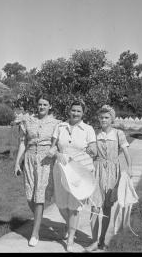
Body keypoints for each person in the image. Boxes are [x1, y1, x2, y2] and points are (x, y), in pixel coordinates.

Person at [47, 99, 97, 252]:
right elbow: (53, 146)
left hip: (78, 171)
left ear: (83, 113)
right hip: (60, 168)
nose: (75, 113)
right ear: (69, 111)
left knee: (74, 206)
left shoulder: (88, 129)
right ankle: (70, 227)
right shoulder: (60, 126)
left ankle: (70, 238)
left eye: (79, 111)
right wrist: (55, 153)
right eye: (73, 110)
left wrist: (84, 155)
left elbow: (93, 150)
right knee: (61, 203)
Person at [13, 93, 60, 247]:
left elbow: (56, 143)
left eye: (45, 104)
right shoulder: (28, 121)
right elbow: (22, 142)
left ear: (50, 106)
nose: (41, 107)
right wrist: (17, 162)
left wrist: (54, 150)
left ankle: (35, 233)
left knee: (39, 196)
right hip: (29, 158)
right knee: (29, 195)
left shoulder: (56, 123)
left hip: (45, 160)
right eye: (40, 104)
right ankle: (39, 220)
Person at [86, 105, 132, 251]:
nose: (103, 120)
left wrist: (129, 168)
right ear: (98, 119)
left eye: (106, 117)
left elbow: (125, 152)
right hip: (97, 171)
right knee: (94, 206)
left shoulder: (118, 134)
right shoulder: (95, 133)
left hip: (113, 171)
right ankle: (94, 241)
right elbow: (90, 152)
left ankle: (102, 240)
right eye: (101, 117)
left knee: (107, 207)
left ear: (112, 119)